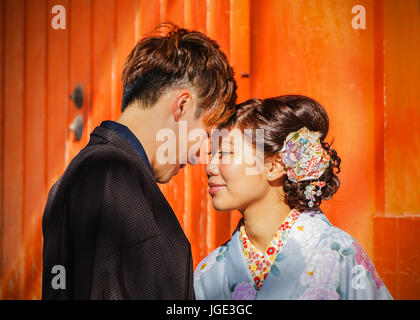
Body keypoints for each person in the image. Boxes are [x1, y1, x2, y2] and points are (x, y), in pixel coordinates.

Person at [42, 23, 237, 299]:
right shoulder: (111, 174)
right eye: (206, 134)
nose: (199, 157)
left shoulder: (93, 170)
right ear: (181, 105)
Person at [194, 95, 392, 300]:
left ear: (275, 165)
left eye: (225, 153)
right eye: (212, 154)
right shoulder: (210, 273)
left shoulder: (339, 254)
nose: (209, 167)